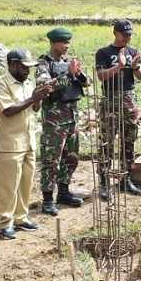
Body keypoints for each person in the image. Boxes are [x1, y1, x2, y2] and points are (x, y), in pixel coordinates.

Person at [0, 49, 54, 240]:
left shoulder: (28, 83)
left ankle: (21, 217)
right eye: (24, 67)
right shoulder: (0, 83)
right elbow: (9, 110)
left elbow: (34, 108)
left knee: (26, 183)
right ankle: (5, 222)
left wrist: (40, 97)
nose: (28, 71)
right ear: (12, 64)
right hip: (10, 142)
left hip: (28, 141)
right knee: (9, 185)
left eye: (30, 67)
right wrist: (33, 98)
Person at [36, 27, 90, 216]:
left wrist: (78, 74)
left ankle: (64, 192)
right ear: (53, 43)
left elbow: (86, 82)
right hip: (54, 119)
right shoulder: (44, 63)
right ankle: (48, 199)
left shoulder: (69, 62)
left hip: (72, 116)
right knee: (51, 160)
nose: (67, 46)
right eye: (63, 43)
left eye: (68, 42)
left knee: (71, 157)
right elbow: (45, 87)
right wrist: (68, 75)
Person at [95, 19, 141, 200]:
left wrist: (134, 67)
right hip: (110, 101)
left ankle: (126, 179)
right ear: (115, 33)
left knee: (129, 142)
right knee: (107, 142)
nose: (127, 38)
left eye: (130, 35)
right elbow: (101, 76)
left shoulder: (133, 52)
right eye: (124, 35)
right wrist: (119, 67)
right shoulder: (103, 53)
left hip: (129, 100)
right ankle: (104, 182)